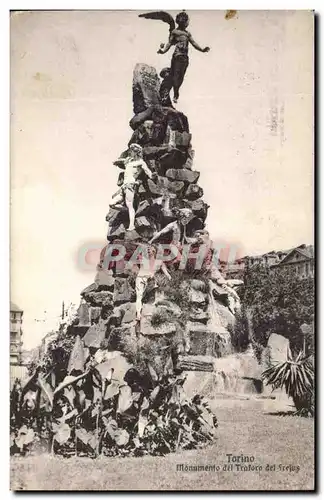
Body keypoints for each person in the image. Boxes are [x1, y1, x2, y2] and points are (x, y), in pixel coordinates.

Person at [158, 12, 210, 103]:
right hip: (177, 56)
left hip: (185, 58)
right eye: (186, 21)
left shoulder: (187, 34)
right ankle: (173, 94)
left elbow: (194, 43)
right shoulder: (175, 32)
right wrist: (163, 51)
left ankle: (175, 92)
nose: (187, 23)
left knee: (180, 77)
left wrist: (202, 49)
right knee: (176, 76)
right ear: (181, 22)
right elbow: (169, 43)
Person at [110, 143, 156, 231]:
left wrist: (153, 176)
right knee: (112, 204)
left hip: (130, 186)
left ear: (137, 152)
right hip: (123, 187)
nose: (130, 152)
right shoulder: (129, 161)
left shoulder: (141, 162)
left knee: (130, 205)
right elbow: (121, 161)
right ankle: (130, 212)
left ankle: (132, 225)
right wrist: (116, 162)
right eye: (130, 151)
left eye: (132, 151)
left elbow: (149, 173)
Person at [135, 245, 171, 321]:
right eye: (147, 249)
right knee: (139, 296)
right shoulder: (142, 258)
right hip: (141, 279)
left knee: (147, 295)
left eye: (150, 248)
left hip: (150, 282)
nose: (148, 249)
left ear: (154, 251)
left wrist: (168, 275)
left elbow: (164, 269)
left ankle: (148, 309)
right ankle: (138, 314)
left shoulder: (159, 262)